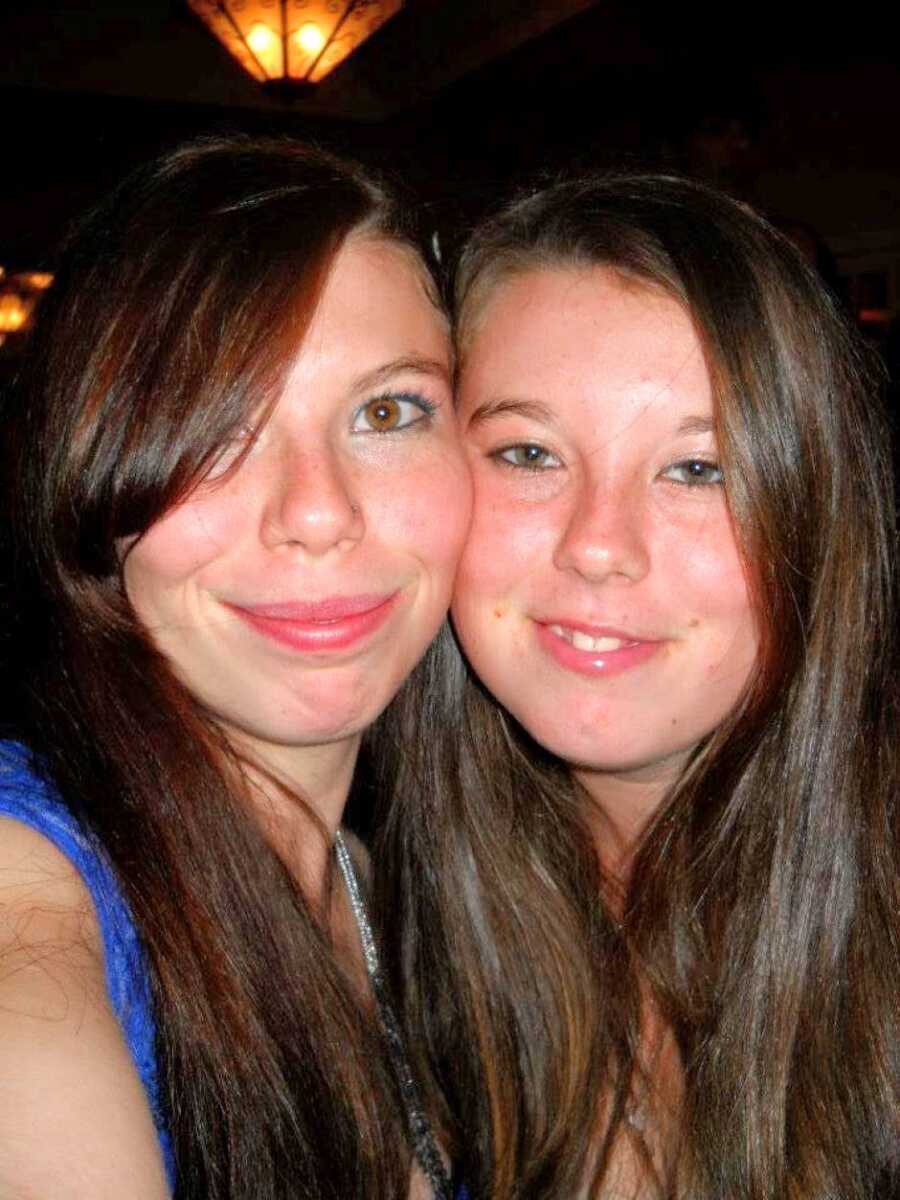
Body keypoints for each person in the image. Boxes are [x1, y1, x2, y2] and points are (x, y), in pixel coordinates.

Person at [375, 174, 900, 1198]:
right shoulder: (397, 925)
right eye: (529, 453)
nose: (600, 548)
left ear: (817, 507)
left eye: (699, 470)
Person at [0, 137, 472, 1200]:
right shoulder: (34, 897)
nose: (317, 511)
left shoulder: (401, 889)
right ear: (90, 474)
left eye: (387, 411)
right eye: (221, 425)